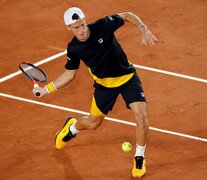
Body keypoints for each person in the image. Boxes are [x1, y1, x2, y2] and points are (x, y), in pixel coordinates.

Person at [34, 7, 157, 178]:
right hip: (104, 87)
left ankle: (139, 158)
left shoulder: (103, 25)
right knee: (93, 123)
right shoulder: (74, 48)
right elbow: (70, 74)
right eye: (76, 27)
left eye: (83, 24)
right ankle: (71, 129)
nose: (82, 30)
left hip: (128, 78)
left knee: (141, 116)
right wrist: (45, 90)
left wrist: (142, 26)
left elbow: (127, 15)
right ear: (68, 28)